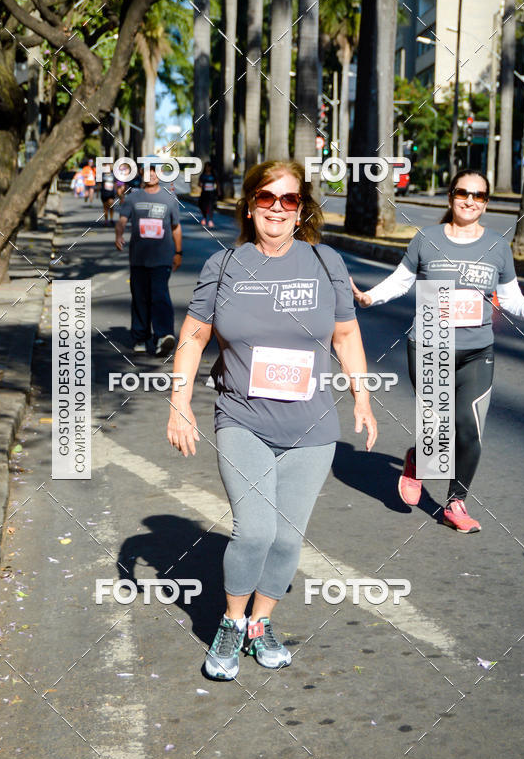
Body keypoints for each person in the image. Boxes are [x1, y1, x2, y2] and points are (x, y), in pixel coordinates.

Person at [166, 159, 377, 681]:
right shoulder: (225, 266)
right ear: (250, 204)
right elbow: (193, 338)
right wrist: (179, 403)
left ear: (302, 208)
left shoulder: (327, 263)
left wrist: (363, 398)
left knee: (287, 539)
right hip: (243, 417)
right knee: (255, 532)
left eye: (288, 199)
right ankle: (232, 623)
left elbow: (346, 337)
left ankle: (261, 624)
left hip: (312, 426)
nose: (277, 208)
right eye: (266, 198)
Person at [351, 168, 524, 533]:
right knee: (438, 429)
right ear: (451, 196)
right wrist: (369, 297)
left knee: (470, 428)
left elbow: (512, 300)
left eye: (479, 196)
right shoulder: (426, 239)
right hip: (430, 345)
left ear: (486, 203)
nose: (470, 201)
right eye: (463, 193)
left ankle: (456, 501)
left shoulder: (497, 246)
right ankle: (419, 460)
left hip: (478, 350)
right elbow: (400, 282)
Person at [115, 157, 182, 356]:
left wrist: (178, 252)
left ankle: (163, 336)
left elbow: (176, 228)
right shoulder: (133, 198)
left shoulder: (169, 199)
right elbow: (122, 220)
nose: (151, 174)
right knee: (140, 298)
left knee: (160, 295)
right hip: (138, 258)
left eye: (155, 170)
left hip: (162, 258)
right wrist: (118, 235)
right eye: (147, 170)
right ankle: (140, 337)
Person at [198, 161, 218, 228]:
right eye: (207, 167)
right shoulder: (203, 175)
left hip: (211, 193)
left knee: (211, 206)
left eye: (209, 167)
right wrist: (201, 185)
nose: (208, 168)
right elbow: (199, 183)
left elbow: (217, 183)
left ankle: (210, 220)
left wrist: (218, 190)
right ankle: (204, 217)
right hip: (204, 193)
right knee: (203, 206)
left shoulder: (213, 175)